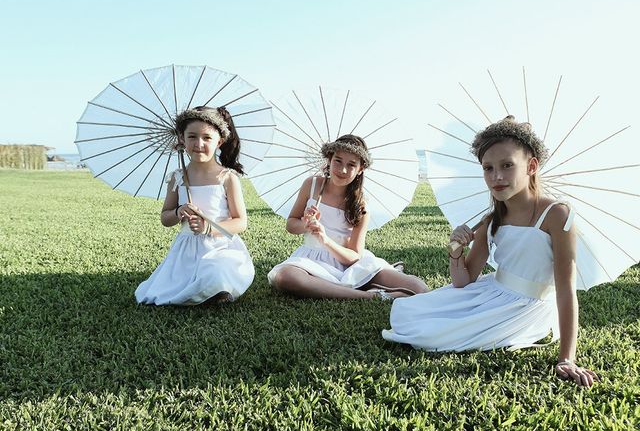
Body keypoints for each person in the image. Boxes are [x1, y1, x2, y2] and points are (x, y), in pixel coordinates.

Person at [382, 116, 597, 387]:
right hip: (491, 290)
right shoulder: (490, 220)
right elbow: (463, 281)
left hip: (525, 307)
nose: (496, 176)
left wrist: (567, 358)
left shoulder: (556, 215)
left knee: (430, 337)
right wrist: (456, 252)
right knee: (410, 313)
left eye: (507, 166)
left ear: (531, 166)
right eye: (488, 168)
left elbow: (566, 289)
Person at [269, 134, 429, 300]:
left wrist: (325, 240)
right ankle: (371, 296)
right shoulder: (312, 185)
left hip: (348, 263)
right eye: (338, 160)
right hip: (311, 260)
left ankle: (350, 285)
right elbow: (291, 224)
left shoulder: (361, 205)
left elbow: (353, 257)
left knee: (419, 288)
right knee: (285, 277)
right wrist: (306, 224)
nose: (343, 170)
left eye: (351, 164)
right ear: (329, 160)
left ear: (360, 169)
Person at [135, 106, 254, 305]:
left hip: (220, 248)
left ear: (220, 141)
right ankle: (205, 291)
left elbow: (240, 222)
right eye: (192, 137)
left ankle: (216, 289)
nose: (199, 143)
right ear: (182, 139)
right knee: (167, 287)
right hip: (186, 249)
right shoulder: (177, 177)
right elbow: (165, 218)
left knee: (215, 269)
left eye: (207, 138)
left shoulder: (227, 177)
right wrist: (178, 211)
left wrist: (209, 227)